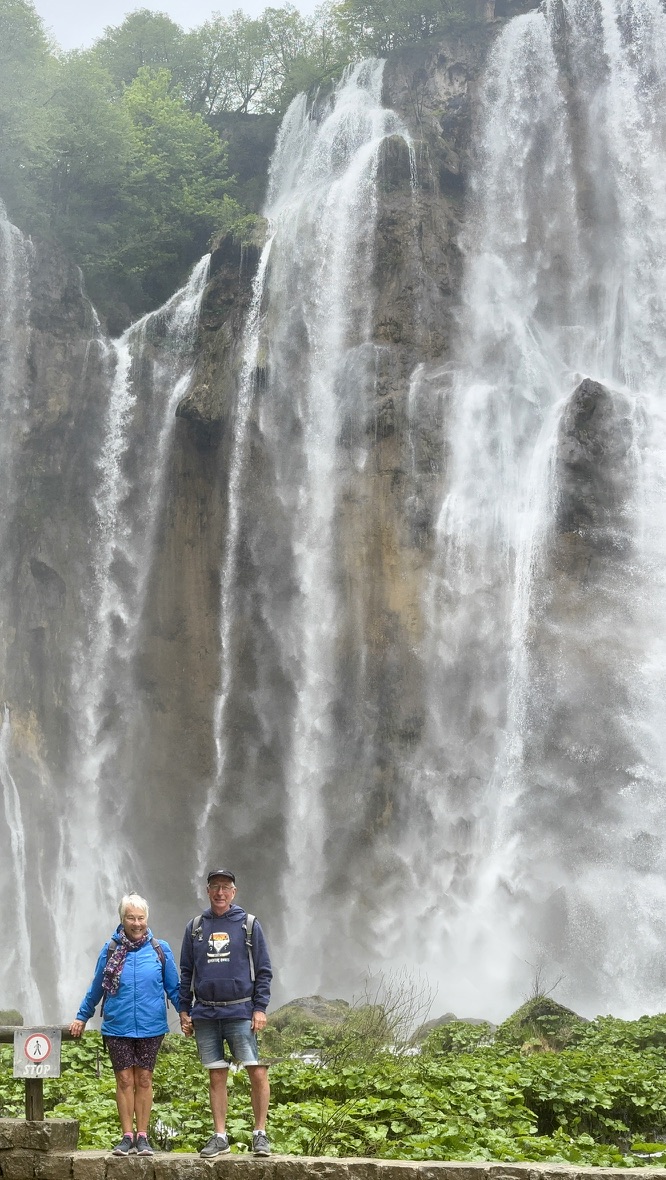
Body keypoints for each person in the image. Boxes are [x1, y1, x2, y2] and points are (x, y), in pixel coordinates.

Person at [69, 892, 180, 1156]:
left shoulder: (159, 949)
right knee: (124, 1079)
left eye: (140, 918)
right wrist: (82, 1016)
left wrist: (186, 1013)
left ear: (147, 919)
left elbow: (174, 987)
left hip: (151, 1025)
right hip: (118, 1025)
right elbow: (97, 987)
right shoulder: (110, 949)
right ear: (122, 919)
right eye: (131, 917)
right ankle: (127, 1136)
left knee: (144, 1078)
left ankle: (143, 1136)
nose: (136, 923)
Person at [179, 869, 272, 1157]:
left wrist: (260, 1008)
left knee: (257, 1071)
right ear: (207, 891)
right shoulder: (195, 927)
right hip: (206, 1014)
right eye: (215, 886)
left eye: (226, 887)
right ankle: (220, 1137)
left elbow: (264, 969)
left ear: (234, 892)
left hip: (241, 1011)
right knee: (216, 1076)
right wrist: (183, 1009)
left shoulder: (248, 924)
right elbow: (186, 972)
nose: (220, 892)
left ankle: (260, 1134)